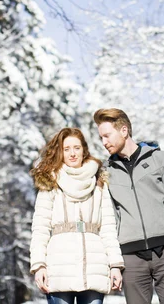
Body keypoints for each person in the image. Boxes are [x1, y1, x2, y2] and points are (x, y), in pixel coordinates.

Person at [93, 108, 164, 304]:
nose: (104, 142)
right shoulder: (106, 172)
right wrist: (114, 261)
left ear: (124, 130)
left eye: (107, 135)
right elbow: (109, 217)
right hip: (131, 259)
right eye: (101, 138)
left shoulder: (158, 159)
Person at [29, 127, 124, 304]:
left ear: (84, 150)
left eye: (77, 148)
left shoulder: (99, 182)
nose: (72, 153)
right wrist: (39, 265)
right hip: (58, 268)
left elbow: (108, 229)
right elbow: (40, 228)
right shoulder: (50, 182)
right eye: (67, 149)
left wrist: (115, 266)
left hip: (94, 267)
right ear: (60, 152)